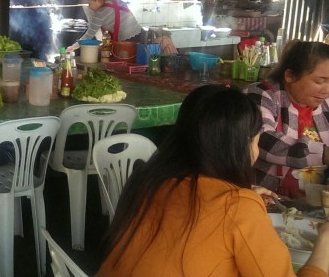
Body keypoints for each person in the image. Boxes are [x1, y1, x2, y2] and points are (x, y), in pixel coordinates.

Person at [98, 85, 329, 277]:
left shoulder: (148, 180)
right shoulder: (238, 207)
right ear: (242, 145)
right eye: (257, 142)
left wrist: (241, 197)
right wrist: (325, 244)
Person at [246, 40, 329, 196]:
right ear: (290, 76)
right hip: (268, 198)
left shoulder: (326, 103)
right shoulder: (262, 95)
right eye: (320, 81)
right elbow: (261, 139)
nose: (327, 90)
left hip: (318, 200)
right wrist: (323, 153)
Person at [70, 0, 142, 48]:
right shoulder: (119, 2)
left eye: (90, 4)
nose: (89, 7)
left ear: (99, 1)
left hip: (126, 42)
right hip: (140, 35)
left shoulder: (99, 14)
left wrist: (73, 47)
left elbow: (89, 35)